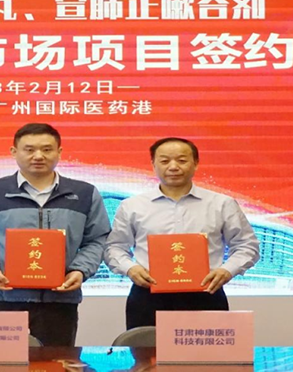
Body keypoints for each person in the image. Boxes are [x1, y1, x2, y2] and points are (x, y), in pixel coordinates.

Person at [0, 123, 111, 346]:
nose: (38, 156)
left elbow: (98, 238)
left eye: (47, 149)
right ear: (14, 152)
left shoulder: (84, 193)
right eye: (29, 149)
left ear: (59, 152)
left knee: (56, 361)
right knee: (1, 360)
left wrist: (80, 270)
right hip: (1, 298)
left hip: (59, 300)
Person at [104, 137, 260, 330]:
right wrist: (130, 268)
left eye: (182, 160)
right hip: (148, 295)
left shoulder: (221, 204)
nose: (173, 167)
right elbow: (114, 247)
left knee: (206, 350)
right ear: (153, 164)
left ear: (196, 163)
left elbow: (247, 245)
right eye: (164, 161)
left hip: (206, 294)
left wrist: (227, 270)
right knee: (147, 350)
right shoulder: (132, 206)